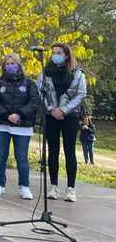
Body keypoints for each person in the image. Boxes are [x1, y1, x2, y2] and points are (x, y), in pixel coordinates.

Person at [37, 42, 87, 202]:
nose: (55, 55)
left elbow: (81, 94)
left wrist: (63, 110)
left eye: (59, 52)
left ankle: (70, 188)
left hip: (70, 117)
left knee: (69, 151)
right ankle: (53, 186)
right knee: (52, 151)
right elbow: (39, 91)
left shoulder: (77, 73)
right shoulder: (45, 72)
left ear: (66, 55)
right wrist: (51, 109)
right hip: (51, 116)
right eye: (53, 52)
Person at [0, 53, 38, 199]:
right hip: (2, 124)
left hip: (22, 125)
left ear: (19, 65)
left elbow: (33, 102)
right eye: (7, 64)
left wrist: (19, 115)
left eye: (13, 63)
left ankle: (24, 186)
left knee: (21, 157)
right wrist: (6, 115)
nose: (10, 66)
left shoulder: (29, 83)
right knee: (1, 155)